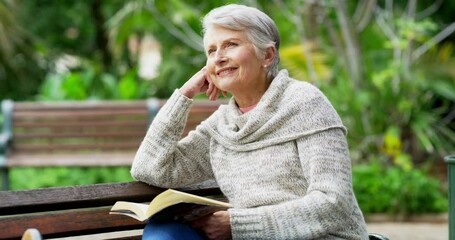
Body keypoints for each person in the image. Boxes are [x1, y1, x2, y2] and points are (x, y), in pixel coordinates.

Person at [131, 3, 368, 240]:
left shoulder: (305, 104)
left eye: (230, 45)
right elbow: (150, 169)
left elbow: (334, 203)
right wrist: (184, 95)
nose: (219, 58)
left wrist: (238, 225)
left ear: (267, 55)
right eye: (212, 51)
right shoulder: (222, 126)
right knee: (163, 233)